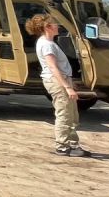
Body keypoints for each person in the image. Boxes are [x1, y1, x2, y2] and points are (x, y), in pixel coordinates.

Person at [27, 13, 90, 157]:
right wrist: (67, 87)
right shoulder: (47, 45)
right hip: (57, 82)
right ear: (47, 27)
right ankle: (62, 146)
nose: (58, 26)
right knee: (65, 115)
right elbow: (53, 67)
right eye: (54, 23)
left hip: (62, 80)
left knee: (72, 115)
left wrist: (70, 83)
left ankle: (73, 145)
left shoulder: (48, 42)